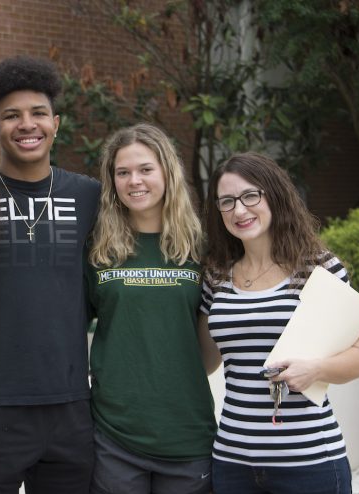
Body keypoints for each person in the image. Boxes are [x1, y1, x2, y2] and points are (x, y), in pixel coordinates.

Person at [0, 56, 101, 493]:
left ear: (56, 123)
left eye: (38, 113)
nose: (27, 125)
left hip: (71, 403)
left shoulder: (89, 196)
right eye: (12, 116)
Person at [199, 152, 359, 494]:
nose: (239, 210)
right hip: (233, 464)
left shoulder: (318, 269)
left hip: (309, 463)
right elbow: (204, 362)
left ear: (274, 196)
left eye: (251, 196)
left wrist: (316, 370)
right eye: (227, 201)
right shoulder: (215, 276)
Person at [85, 123, 217, 493]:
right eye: (122, 172)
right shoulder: (97, 249)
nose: (134, 181)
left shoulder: (201, 248)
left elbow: (211, 349)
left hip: (187, 434)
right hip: (114, 435)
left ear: (167, 172)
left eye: (145, 169)